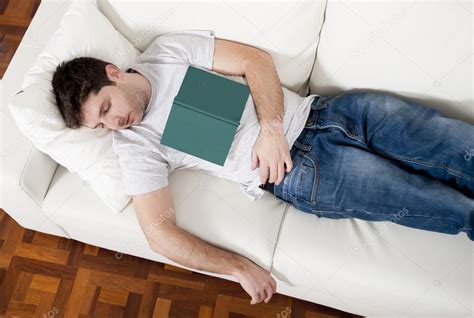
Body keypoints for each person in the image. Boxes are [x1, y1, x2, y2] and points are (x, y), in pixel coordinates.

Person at [51, 30, 474, 306]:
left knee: (454, 145)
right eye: (100, 124)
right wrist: (237, 267)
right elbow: (158, 235)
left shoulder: (167, 52)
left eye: (107, 108)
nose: (113, 123)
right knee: (437, 203)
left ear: (114, 73)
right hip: (306, 172)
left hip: (330, 111)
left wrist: (271, 126)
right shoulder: (135, 146)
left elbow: (254, 61)